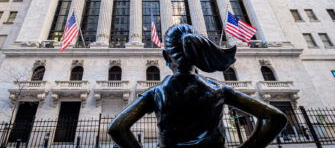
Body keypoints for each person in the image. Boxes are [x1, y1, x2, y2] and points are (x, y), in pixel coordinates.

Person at [108, 24, 287, 148]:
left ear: (165, 56)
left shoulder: (157, 92)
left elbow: (117, 128)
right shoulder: (218, 89)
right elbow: (276, 117)